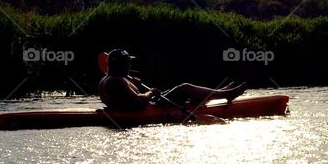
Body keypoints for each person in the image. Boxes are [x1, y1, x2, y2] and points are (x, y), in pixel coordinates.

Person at [98, 49, 245, 111]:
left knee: (177, 91)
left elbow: (125, 97)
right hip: (150, 109)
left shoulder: (107, 79)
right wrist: (150, 92)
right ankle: (226, 94)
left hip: (143, 107)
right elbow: (138, 101)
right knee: (185, 88)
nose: (129, 65)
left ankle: (219, 92)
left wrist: (134, 84)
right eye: (127, 63)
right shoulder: (117, 81)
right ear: (121, 64)